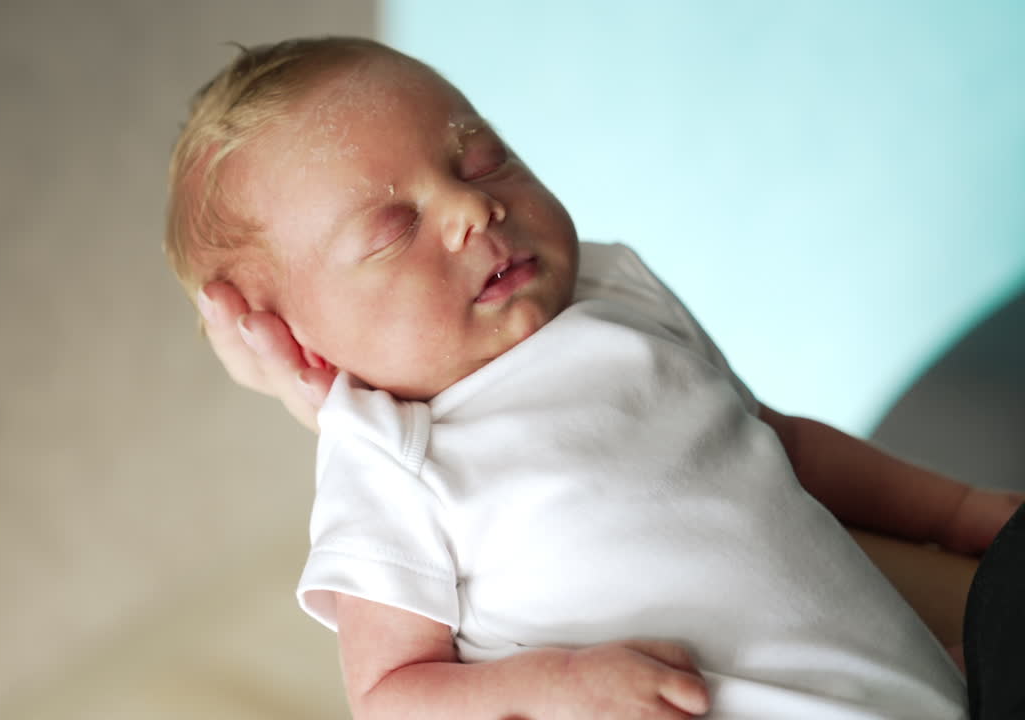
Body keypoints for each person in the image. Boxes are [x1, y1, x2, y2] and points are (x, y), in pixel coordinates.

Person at [168, 36, 1023, 719]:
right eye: (394, 231)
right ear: (307, 347)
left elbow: (779, 442)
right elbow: (391, 694)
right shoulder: (390, 454)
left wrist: (953, 510)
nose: (476, 210)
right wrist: (554, 687)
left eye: (484, 160)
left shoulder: (617, 294)